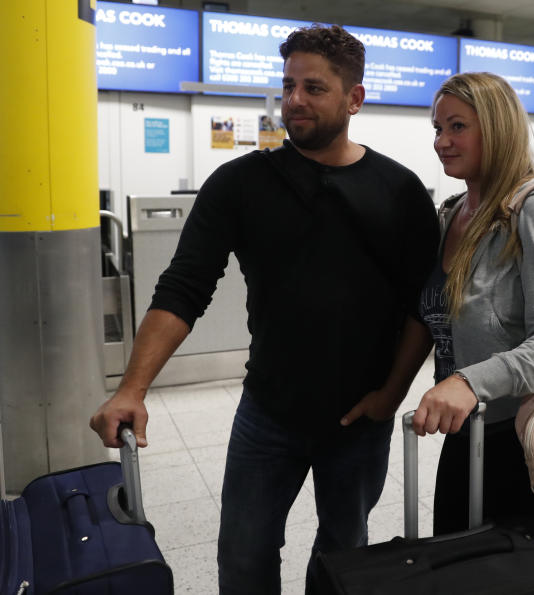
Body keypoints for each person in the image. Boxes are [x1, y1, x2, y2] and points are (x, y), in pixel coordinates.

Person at [89, 25, 439, 594]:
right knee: (244, 555)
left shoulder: (399, 192)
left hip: (359, 421)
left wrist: (392, 394)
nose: (294, 100)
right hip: (268, 412)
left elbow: (421, 307)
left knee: (342, 556)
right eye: (288, 85)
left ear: (354, 99)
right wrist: (132, 388)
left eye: (314, 88)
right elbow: (184, 287)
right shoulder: (240, 184)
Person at [351, 72, 534, 534]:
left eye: (458, 127)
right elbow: (427, 316)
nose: (442, 141)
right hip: (466, 432)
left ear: (496, 129)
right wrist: (393, 390)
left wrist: (469, 382)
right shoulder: (453, 213)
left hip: (524, 442)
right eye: (438, 129)